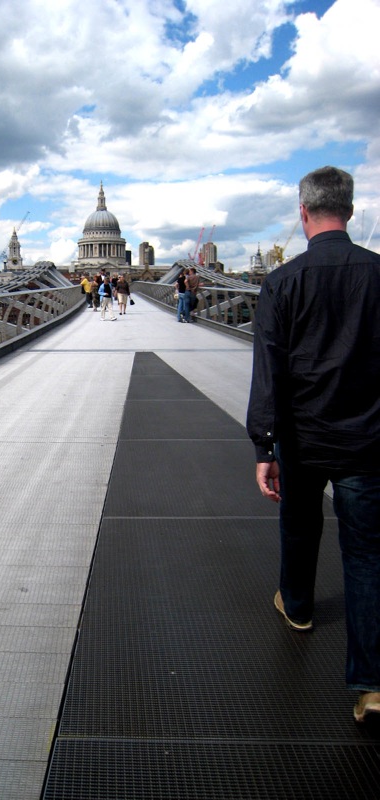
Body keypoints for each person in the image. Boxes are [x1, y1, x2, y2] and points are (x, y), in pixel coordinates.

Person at [246, 166, 380, 724]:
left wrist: (264, 447)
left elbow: (269, 371)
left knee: (300, 527)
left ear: (304, 212)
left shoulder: (283, 281)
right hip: (369, 441)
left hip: (302, 438)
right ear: (349, 211)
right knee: (369, 556)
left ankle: (297, 607)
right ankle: (372, 687)